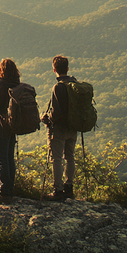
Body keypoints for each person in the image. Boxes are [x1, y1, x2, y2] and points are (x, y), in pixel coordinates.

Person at [42, 55, 77, 201]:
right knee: (70, 157)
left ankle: (58, 190)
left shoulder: (58, 87)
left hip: (60, 129)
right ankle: (69, 187)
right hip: (74, 127)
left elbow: (55, 113)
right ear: (67, 68)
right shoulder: (75, 84)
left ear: (54, 69)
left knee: (57, 159)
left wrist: (48, 121)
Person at [0, 58, 21, 204]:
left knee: (2, 158)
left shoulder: (2, 85)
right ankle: (10, 189)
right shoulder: (17, 85)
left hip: (2, 124)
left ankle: (4, 192)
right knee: (9, 157)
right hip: (13, 125)